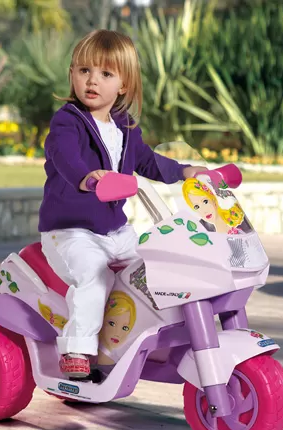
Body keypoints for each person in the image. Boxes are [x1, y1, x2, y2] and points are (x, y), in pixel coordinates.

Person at [39, 29, 205, 379]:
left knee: (155, 266)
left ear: (123, 85)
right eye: (84, 70)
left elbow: (148, 161)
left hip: (115, 231)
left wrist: (184, 171)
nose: (92, 80)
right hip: (70, 232)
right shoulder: (67, 121)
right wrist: (87, 177)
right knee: (94, 275)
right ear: (72, 74)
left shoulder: (125, 127)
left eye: (105, 73)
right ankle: (77, 349)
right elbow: (64, 155)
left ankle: (149, 333)